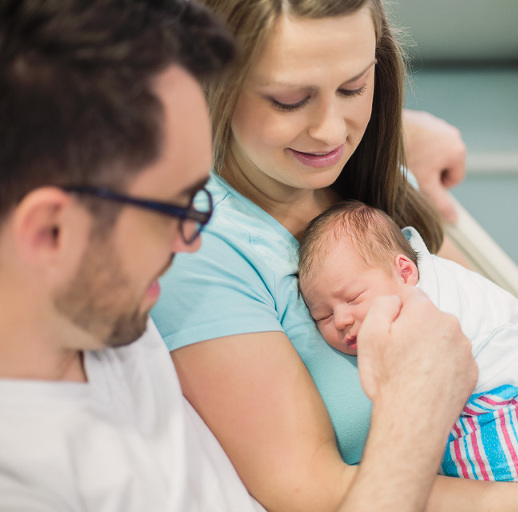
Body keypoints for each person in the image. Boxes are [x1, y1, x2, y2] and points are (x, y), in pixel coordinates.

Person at [0, 1, 480, 511]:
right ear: (50, 231)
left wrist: (399, 128)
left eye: (353, 86)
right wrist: (417, 407)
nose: (192, 237)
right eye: (171, 208)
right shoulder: (28, 476)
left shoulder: (106, 319)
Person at [152, 0, 518, 510]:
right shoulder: (197, 252)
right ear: (215, 84)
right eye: (288, 99)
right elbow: (311, 489)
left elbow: (480, 308)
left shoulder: (360, 174)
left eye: (353, 87)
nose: (331, 131)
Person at [297, 200, 518, 482]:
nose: (340, 320)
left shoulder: (428, 304)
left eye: (352, 298)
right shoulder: (391, 284)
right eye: (322, 316)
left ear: (405, 271)